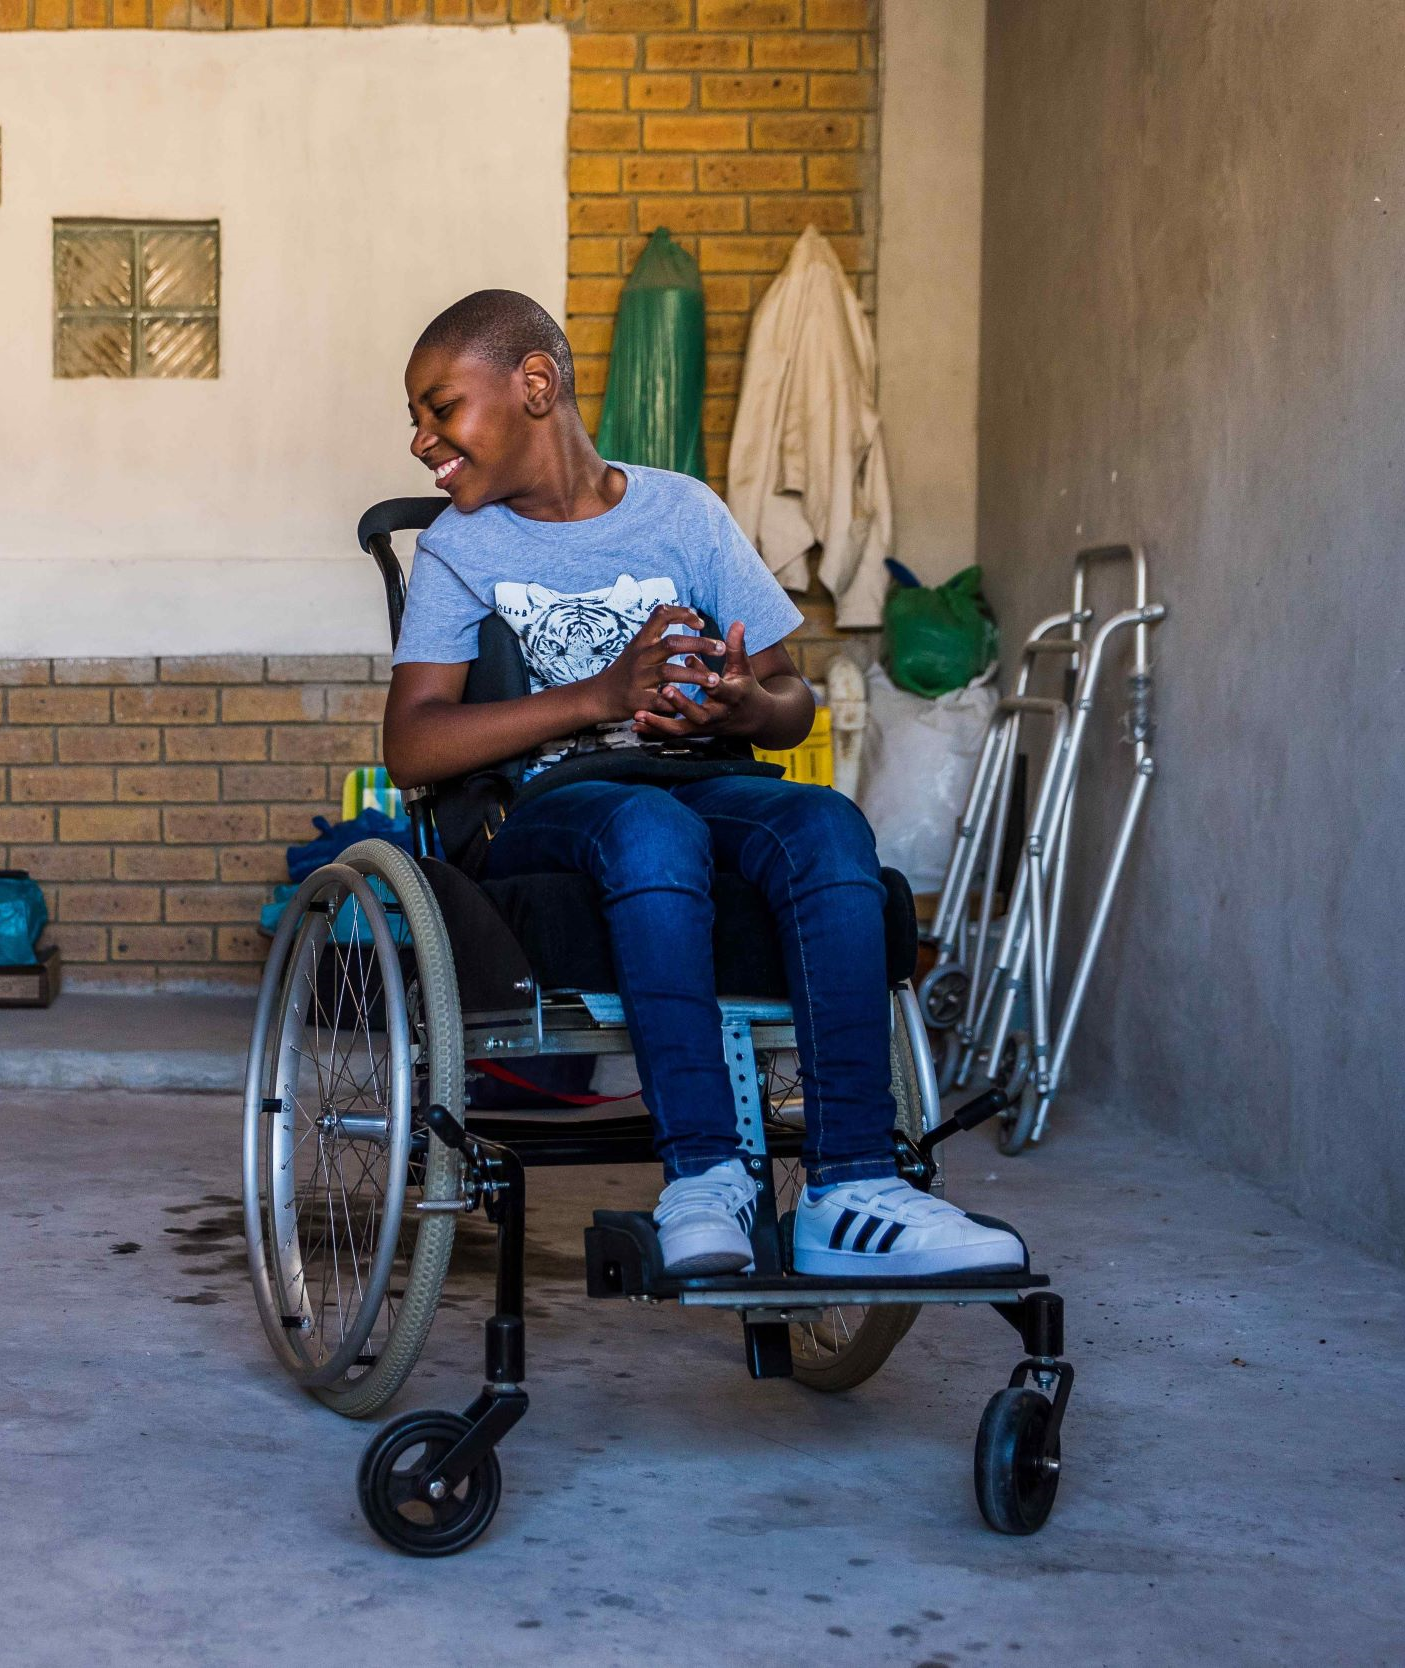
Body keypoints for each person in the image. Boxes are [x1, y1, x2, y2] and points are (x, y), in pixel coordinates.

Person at [383, 289, 1019, 1280]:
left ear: (536, 386)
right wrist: (599, 694)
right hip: (556, 809)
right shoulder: (461, 549)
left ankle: (853, 1187)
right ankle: (705, 1177)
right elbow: (413, 749)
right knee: (645, 826)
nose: (422, 440)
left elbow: (789, 698)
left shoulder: (683, 512)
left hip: (703, 779)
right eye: (419, 419)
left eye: (439, 409)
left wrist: (738, 707)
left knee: (823, 824)